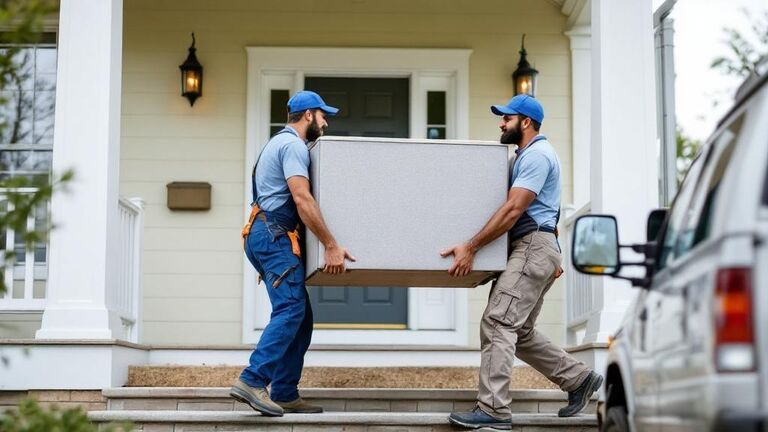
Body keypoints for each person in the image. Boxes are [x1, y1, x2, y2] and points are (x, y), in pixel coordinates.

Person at [441, 94, 603, 429]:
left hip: (532, 248)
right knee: (521, 331)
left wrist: (471, 247)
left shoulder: (537, 155)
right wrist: (552, 253)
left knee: (498, 322)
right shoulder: (526, 156)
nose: (501, 123)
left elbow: (514, 209)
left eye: (507, 118)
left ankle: (493, 410)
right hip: (538, 249)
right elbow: (546, 209)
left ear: (525, 122)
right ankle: (579, 379)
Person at [230, 90, 356, 417]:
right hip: (273, 235)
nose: (325, 123)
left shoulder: (277, 143)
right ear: (309, 115)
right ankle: (252, 379)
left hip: (266, 234)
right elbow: (302, 198)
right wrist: (331, 245)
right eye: (323, 116)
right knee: (290, 309)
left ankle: (285, 392)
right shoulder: (293, 146)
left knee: (300, 318)